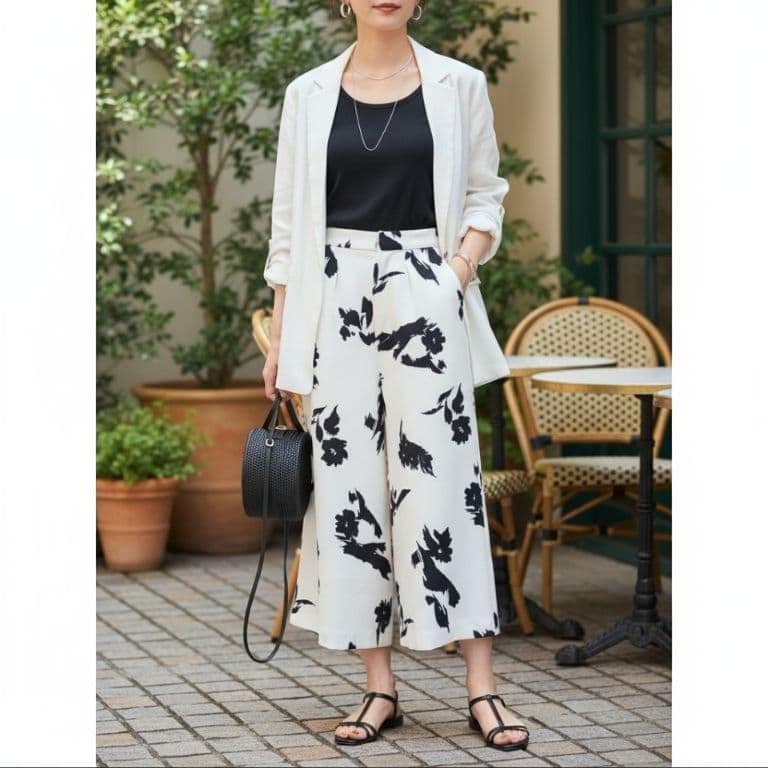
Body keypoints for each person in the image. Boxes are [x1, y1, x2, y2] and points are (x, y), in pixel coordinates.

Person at [262, 0, 529, 753]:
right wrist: (281, 338)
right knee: (350, 489)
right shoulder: (308, 93)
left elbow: (485, 194)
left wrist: (457, 271)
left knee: (446, 484)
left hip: (425, 290)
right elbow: (288, 226)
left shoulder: (458, 84)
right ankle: (380, 687)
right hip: (333, 299)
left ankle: (483, 688)